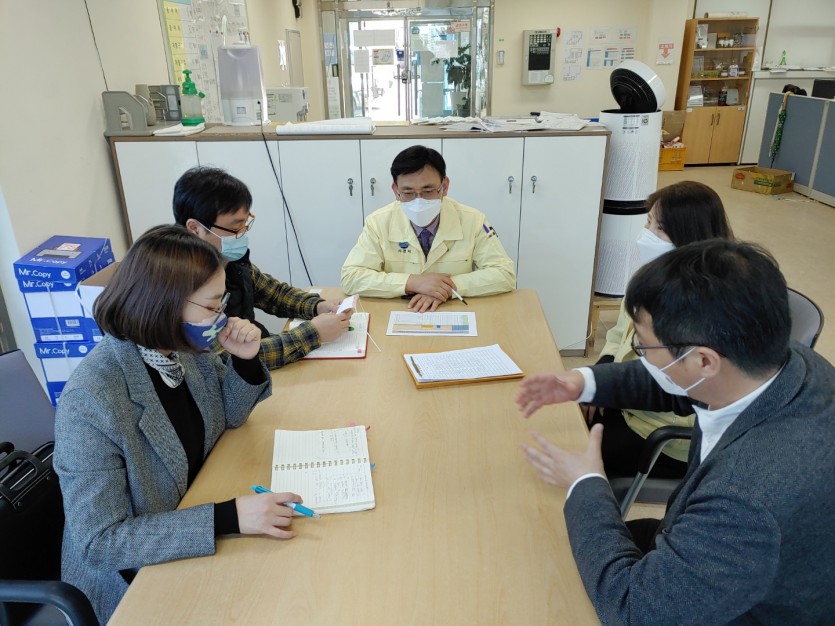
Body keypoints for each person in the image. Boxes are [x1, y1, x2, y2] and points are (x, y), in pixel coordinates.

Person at [516, 239, 835, 624]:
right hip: (730, 556)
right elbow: (680, 384)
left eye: (645, 347)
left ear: (704, 360)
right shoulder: (777, 359)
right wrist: (584, 382)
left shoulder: (746, 499)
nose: (643, 357)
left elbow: (634, 610)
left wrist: (585, 482)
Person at [53, 225, 304, 623]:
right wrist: (228, 518)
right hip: (131, 580)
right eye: (212, 306)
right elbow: (100, 542)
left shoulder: (180, 348)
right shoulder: (92, 399)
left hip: (192, 514)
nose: (222, 317)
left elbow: (229, 417)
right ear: (164, 303)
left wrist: (244, 360)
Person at [588, 181, 734, 479]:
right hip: (631, 404)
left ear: (691, 236)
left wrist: (606, 389)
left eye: (660, 229)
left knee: (573, 444)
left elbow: (681, 392)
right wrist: (602, 372)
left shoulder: (709, 304)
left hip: (666, 434)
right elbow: (618, 337)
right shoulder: (651, 278)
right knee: (568, 416)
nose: (647, 234)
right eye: (648, 222)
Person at [174, 166, 350, 369]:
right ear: (195, 228)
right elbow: (225, 361)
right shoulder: (180, 282)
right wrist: (313, 333)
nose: (242, 233)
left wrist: (318, 306)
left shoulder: (227, 259)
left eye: (245, 223)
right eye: (235, 227)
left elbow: (274, 294)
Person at [341, 145, 516, 312]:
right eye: (408, 193)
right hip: (399, 310)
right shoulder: (378, 222)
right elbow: (351, 277)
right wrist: (412, 283)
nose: (418, 201)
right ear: (395, 190)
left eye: (428, 191)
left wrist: (445, 288)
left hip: (453, 309)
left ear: (444, 186)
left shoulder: (474, 220)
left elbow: (505, 274)